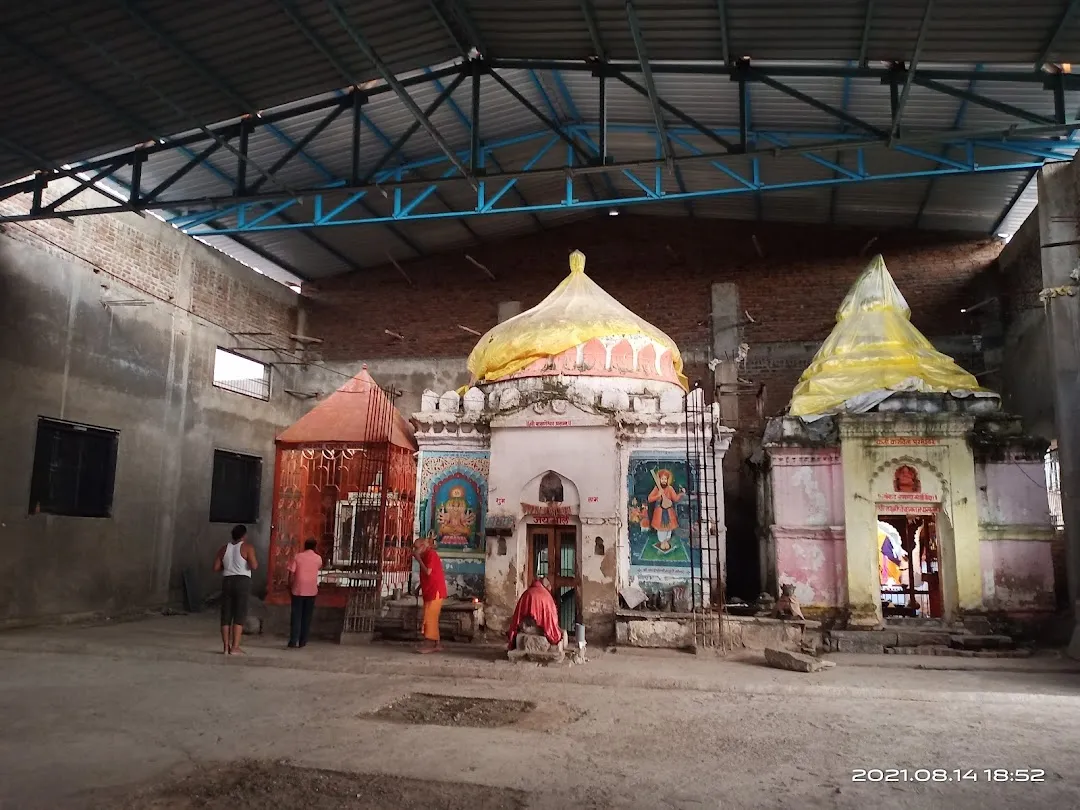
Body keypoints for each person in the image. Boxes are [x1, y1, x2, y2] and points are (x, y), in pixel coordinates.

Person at [213, 524, 257, 655]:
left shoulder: (223, 549)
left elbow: (215, 567)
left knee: (226, 614)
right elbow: (254, 565)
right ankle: (235, 647)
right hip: (242, 581)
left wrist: (227, 568)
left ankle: (225, 647)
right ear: (244, 535)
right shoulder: (247, 547)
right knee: (239, 613)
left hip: (227, 580)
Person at [506, 577, 563, 651]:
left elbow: (518, 616)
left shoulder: (526, 593)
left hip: (526, 629)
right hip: (542, 630)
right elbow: (551, 620)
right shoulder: (546, 596)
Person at [412, 534, 446, 654]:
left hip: (435, 590)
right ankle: (437, 643)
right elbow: (429, 575)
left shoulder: (430, 554)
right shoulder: (426, 555)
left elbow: (428, 572)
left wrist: (418, 559)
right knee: (432, 617)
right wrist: (419, 587)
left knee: (429, 617)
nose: (414, 551)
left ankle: (430, 643)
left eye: (416, 548)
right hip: (429, 589)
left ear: (422, 546)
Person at [287, 538, 322, 649]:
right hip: (311, 590)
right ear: (315, 547)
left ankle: (293, 640)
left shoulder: (297, 557)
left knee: (296, 616)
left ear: (304, 546)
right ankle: (303, 641)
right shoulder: (318, 559)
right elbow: (318, 567)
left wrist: (290, 585)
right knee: (307, 617)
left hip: (297, 590)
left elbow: (291, 574)